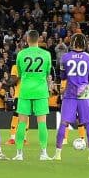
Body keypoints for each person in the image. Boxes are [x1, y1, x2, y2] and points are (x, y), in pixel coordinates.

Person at [55, 33, 89, 161]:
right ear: (85, 44)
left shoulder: (65, 57)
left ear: (72, 43)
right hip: (84, 94)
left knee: (64, 124)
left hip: (69, 94)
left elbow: (62, 77)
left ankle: (58, 154)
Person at [12, 29, 53, 161]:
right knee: (42, 124)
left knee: (22, 123)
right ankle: (43, 153)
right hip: (41, 91)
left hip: (25, 91)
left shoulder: (21, 54)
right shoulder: (46, 54)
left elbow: (19, 72)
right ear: (39, 39)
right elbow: (47, 73)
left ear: (27, 39)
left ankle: (19, 154)